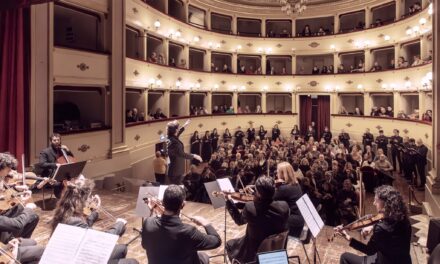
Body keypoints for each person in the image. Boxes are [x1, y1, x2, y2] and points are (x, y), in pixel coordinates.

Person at [51, 179, 138, 264]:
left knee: (122, 248)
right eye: (88, 197)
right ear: (81, 200)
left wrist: (95, 211)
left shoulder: (63, 212)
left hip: (72, 253)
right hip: (78, 258)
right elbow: (101, 240)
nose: (90, 199)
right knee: (132, 262)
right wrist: (120, 224)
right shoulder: (74, 221)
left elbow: (83, 227)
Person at [142, 185, 221, 264]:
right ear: (183, 204)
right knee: (203, 257)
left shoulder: (148, 223)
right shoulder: (189, 232)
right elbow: (216, 241)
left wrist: (152, 211)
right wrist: (206, 223)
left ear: (162, 202)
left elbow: (144, 245)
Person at [337, 185, 411, 264]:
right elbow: (391, 232)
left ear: (385, 204)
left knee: (345, 257)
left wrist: (346, 236)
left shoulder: (380, 228)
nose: (374, 203)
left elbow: (369, 250)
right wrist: (372, 226)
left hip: (384, 261)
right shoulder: (404, 220)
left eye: (376, 200)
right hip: (404, 261)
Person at [223, 176, 289, 263]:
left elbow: (239, 221)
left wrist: (228, 201)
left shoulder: (250, 208)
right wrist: (257, 194)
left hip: (254, 250)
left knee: (229, 244)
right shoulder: (284, 206)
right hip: (275, 249)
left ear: (259, 193)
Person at [0, 153, 44, 264]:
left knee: (33, 224)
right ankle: (16, 251)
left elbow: (4, 191)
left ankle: (16, 242)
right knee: (41, 250)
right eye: (8, 169)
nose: (10, 173)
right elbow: (16, 223)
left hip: (4, 218)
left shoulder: (2, 179)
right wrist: (28, 207)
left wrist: (15, 188)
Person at [37, 133, 74, 198]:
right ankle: (61, 198)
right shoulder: (45, 152)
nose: (57, 142)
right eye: (54, 140)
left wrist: (67, 150)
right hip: (50, 175)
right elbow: (41, 164)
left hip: (63, 173)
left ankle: (71, 197)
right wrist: (55, 165)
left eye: (58, 140)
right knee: (59, 183)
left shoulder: (62, 150)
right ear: (51, 141)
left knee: (77, 180)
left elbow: (71, 158)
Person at [274, 162, 304, 237]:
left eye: (278, 172)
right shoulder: (296, 184)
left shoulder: (284, 188)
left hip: (292, 223)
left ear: (283, 174)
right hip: (299, 221)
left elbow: (270, 200)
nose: (276, 175)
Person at [167, 120, 202, 185]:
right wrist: (195, 156)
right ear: (175, 130)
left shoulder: (171, 137)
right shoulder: (174, 142)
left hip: (176, 170)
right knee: (177, 190)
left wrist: (185, 125)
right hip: (176, 172)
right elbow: (181, 154)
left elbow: (179, 131)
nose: (178, 129)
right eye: (178, 128)